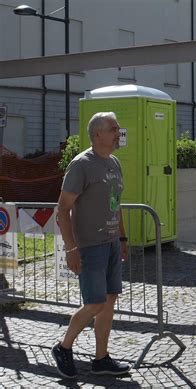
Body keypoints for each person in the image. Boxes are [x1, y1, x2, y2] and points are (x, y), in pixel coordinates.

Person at [51, 112, 130, 379]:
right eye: (113, 128)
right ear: (98, 134)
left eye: (117, 128)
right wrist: (71, 249)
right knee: (95, 303)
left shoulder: (114, 162)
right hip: (90, 246)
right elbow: (62, 209)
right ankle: (63, 347)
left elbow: (115, 204)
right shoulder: (81, 165)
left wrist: (122, 238)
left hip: (110, 244)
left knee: (108, 302)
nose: (118, 132)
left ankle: (101, 359)